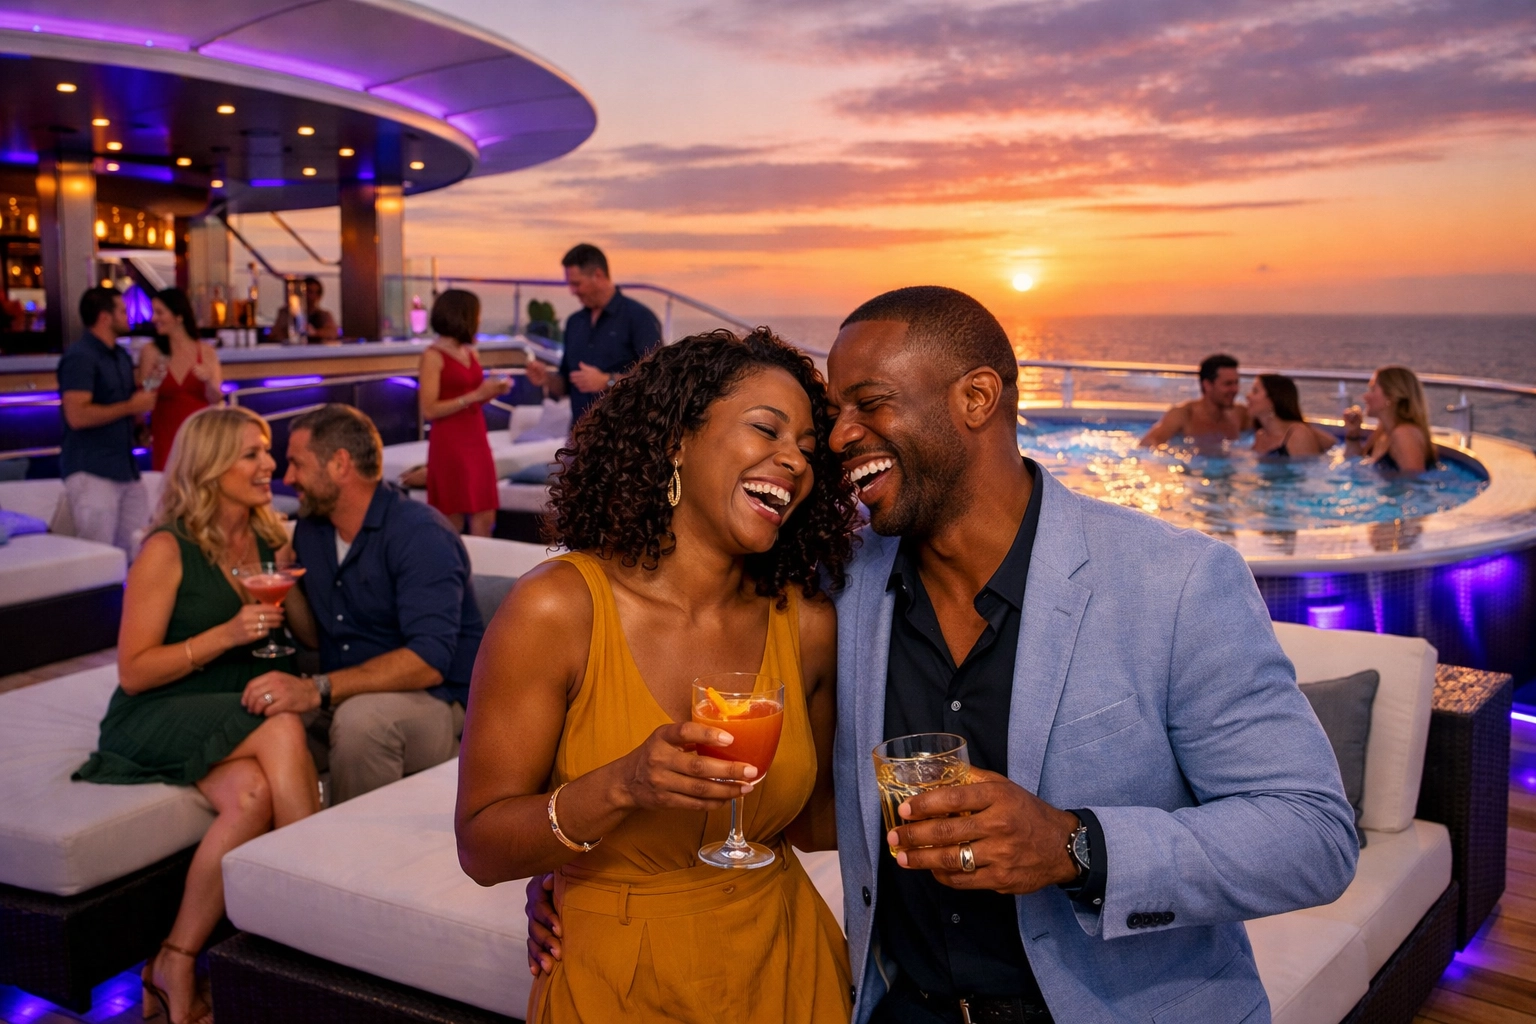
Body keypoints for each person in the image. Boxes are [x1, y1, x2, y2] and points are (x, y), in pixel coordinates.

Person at [530, 288, 1358, 1023]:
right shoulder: (832, 590)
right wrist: (586, 867)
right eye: (833, 414)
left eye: (869, 404)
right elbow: (802, 800)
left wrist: (1075, 846)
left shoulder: (1174, 581)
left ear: (976, 397)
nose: (838, 438)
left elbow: (1313, 835)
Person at [458, 329, 862, 1023]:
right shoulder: (556, 609)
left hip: (786, 968)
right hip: (615, 981)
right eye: (766, 428)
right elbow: (482, 846)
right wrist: (620, 788)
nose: (794, 459)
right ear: (676, 440)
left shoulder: (807, 624)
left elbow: (817, 821)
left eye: (806, 447)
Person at [74, 405, 320, 1024]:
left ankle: (174, 961)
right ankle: (308, 939)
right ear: (210, 467)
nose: (269, 463)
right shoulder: (168, 547)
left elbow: (306, 636)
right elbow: (135, 670)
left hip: (230, 705)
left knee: (252, 796)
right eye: (252, 454)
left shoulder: (269, 535)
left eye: (267, 450)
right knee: (282, 723)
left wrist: (295, 580)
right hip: (158, 707)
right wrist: (228, 633)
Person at [243, 404, 484, 802]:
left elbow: (427, 662)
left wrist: (317, 688)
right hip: (345, 689)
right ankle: (290, 845)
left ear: (339, 464)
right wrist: (287, 585)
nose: (288, 479)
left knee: (362, 722)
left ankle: (359, 858)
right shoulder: (312, 530)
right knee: (262, 714)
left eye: (296, 464)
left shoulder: (420, 534)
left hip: (439, 701)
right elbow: (317, 640)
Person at [57, 287, 156, 558]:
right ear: (105, 317)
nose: (130, 317)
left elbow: (123, 406)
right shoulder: (80, 357)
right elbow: (76, 416)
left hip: (125, 468)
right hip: (92, 469)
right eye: (123, 311)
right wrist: (130, 406)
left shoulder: (121, 356)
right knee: (98, 556)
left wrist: (139, 427)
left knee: (138, 550)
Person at [523, 243, 663, 425]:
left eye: (576, 284)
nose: (572, 291)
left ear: (598, 275)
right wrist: (546, 379)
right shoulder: (575, 323)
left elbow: (659, 379)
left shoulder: (640, 318)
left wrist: (607, 381)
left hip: (625, 438)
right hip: (580, 437)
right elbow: (566, 384)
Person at [416, 289, 511, 536]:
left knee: (485, 513)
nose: (479, 321)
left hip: (476, 436)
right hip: (449, 441)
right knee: (452, 518)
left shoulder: (470, 352)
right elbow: (429, 409)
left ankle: (485, 571)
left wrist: (492, 392)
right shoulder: (432, 356)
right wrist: (476, 395)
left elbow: (473, 401)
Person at [141, 287, 223, 471]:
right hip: (166, 436)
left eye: (160, 313)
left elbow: (216, 399)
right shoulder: (151, 352)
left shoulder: (206, 352)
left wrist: (208, 380)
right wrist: (153, 380)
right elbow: (144, 399)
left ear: (179, 316)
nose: (154, 319)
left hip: (200, 437)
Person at [1139, 352, 1253, 447]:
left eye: (1236, 383)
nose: (1235, 389)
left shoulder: (1239, 414)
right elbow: (1145, 447)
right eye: (1228, 384)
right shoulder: (1183, 415)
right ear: (1207, 385)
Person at [1344, 366, 1437, 473]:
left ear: (1391, 396)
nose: (1365, 396)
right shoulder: (1383, 431)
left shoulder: (1404, 434)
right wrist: (1353, 433)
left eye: (1373, 389)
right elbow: (1354, 463)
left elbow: (1415, 484)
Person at [1249, 373, 1335, 457]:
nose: (1248, 396)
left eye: (1255, 391)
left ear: (1272, 400)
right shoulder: (1260, 435)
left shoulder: (1297, 435)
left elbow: (1311, 470)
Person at [270, 276, 339, 343]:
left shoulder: (323, 315)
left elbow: (333, 333)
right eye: (304, 291)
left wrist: (315, 332)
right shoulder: (286, 313)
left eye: (310, 292)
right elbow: (275, 335)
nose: (306, 295)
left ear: (318, 296)